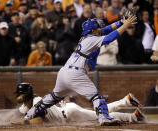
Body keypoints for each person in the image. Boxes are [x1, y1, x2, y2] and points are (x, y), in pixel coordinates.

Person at [25, 13, 137, 126]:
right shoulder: (92, 39)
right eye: (97, 28)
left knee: (54, 97)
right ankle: (104, 118)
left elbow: (106, 30)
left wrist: (121, 22)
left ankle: (30, 114)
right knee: (97, 97)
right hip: (76, 73)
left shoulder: (88, 37)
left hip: (64, 72)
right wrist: (125, 25)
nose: (100, 29)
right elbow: (109, 38)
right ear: (92, 30)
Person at [15, 82, 146, 125]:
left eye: (20, 94)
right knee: (99, 115)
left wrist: (23, 122)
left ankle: (132, 115)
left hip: (69, 114)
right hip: (67, 111)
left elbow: (37, 121)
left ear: (27, 94)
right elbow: (19, 113)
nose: (18, 97)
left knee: (99, 117)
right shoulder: (26, 104)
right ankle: (126, 103)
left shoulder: (37, 102)